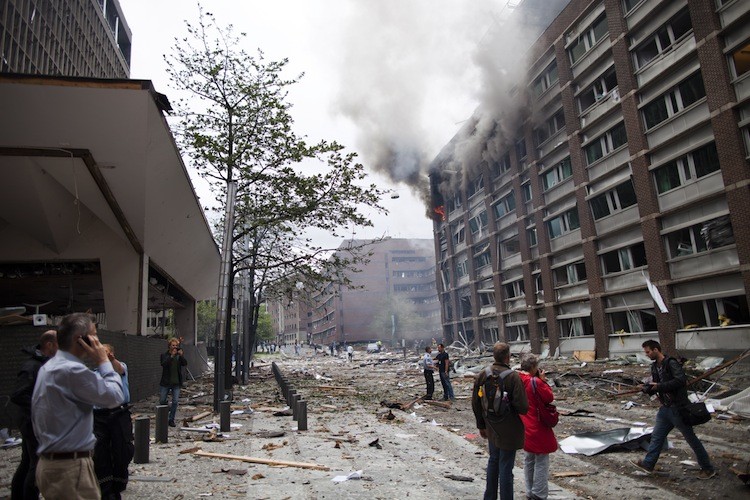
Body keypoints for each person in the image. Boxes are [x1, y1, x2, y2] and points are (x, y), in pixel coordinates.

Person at [32, 313, 124, 500]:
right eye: (94, 335)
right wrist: (103, 362)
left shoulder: (51, 367)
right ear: (80, 339)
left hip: (56, 464)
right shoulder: (71, 370)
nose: (98, 341)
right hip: (70, 468)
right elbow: (115, 396)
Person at [631, 340, 716, 479]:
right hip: (665, 409)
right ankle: (648, 464)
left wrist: (658, 386)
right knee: (657, 438)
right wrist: (646, 388)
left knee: (691, 439)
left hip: (678, 409)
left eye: (648, 352)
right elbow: (656, 386)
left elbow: (680, 381)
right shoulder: (654, 367)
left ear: (656, 350)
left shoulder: (671, 363)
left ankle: (708, 468)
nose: (646, 355)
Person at [471, 342, 528, 500]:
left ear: (494, 356)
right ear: (508, 357)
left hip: (491, 427)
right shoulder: (513, 377)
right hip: (509, 430)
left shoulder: (483, 374)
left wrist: (480, 425)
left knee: (493, 461)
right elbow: (523, 407)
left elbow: (475, 402)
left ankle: (489, 497)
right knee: (506, 467)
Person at [10, 329, 58, 500]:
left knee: (27, 462)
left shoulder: (41, 364)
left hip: (33, 420)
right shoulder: (32, 366)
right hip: (31, 422)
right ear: (49, 344)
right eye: (58, 344)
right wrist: (44, 406)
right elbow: (18, 395)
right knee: (37, 465)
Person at [94, 344, 134, 500]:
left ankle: (118, 483)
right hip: (99, 416)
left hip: (119, 414)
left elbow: (119, 369)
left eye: (106, 352)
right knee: (100, 452)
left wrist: (110, 360)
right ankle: (105, 488)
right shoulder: (93, 373)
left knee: (122, 450)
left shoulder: (119, 368)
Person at [519, 354, 557, 500]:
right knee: (541, 459)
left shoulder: (517, 379)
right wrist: (543, 381)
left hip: (524, 424)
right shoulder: (535, 382)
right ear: (534, 368)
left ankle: (529, 491)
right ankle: (539, 493)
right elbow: (549, 397)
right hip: (537, 424)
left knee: (529, 458)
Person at [160, 337, 188, 427]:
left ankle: (171, 419)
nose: (175, 347)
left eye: (176, 345)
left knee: (175, 401)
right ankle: (167, 409)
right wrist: (171, 356)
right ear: (169, 346)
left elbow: (184, 363)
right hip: (166, 382)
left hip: (176, 382)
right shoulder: (164, 355)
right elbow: (163, 364)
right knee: (162, 400)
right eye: (173, 345)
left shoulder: (178, 357)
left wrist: (181, 355)